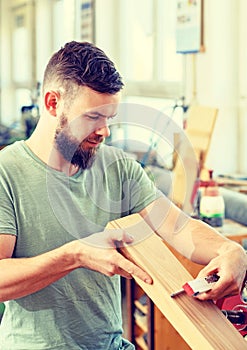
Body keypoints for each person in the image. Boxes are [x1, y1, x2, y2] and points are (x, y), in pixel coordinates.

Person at [0, 41, 246, 350]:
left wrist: (230, 252)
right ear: (53, 103)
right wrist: (74, 256)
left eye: (109, 118)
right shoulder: (5, 173)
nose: (104, 131)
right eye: (92, 117)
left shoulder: (118, 168)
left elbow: (179, 227)